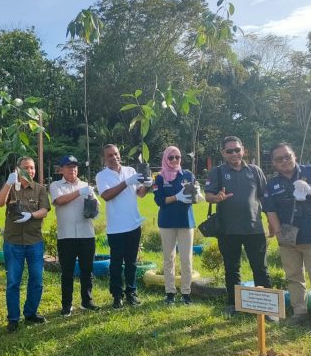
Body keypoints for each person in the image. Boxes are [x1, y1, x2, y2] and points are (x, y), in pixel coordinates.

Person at [263, 142, 311, 336]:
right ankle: (300, 313)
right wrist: (279, 233)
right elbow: (270, 210)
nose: (284, 161)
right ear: (273, 163)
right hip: (288, 238)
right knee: (293, 277)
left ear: (294, 155)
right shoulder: (272, 184)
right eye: (279, 159)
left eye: (287, 156)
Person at [205, 136, 272, 318]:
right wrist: (216, 198)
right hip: (228, 231)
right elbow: (208, 196)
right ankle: (233, 304)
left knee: (260, 269)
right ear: (223, 153)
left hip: (254, 229)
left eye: (237, 150)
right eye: (229, 151)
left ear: (243, 150)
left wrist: (272, 223)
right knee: (231, 269)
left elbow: (265, 199)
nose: (234, 154)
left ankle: (267, 308)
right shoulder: (217, 172)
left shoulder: (255, 171)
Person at [0, 157, 51, 332]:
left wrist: (31, 215)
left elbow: (45, 210)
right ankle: (13, 318)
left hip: (34, 241)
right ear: (18, 169)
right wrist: (8, 183)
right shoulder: (11, 187)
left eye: (33, 167)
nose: (30, 170)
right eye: (26, 167)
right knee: (13, 281)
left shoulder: (40, 189)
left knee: (37, 279)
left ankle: (31, 312)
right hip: (13, 242)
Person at [95, 144, 152, 308]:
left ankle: (131, 293)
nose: (114, 157)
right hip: (116, 228)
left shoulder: (131, 171)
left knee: (131, 262)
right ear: (104, 159)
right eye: (109, 155)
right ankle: (117, 295)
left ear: (120, 154)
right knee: (116, 263)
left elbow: (140, 194)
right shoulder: (102, 176)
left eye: (116, 154)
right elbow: (106, 196)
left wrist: (147, 184)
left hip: (133, 224)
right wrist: (127, 182)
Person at [49, 155, 100, 316]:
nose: (72, 169)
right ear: (61, 169)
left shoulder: (86, 186)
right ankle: (67, 305)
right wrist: (80, 192)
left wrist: (92, 204)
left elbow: (97, 207)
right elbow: (59, 201)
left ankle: (87, 301)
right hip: (66, 236)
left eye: (75, 166)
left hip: (86, 234)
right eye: (69, 166)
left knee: (87, 270)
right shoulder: (56, 185)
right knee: (67, 272)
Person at [153, 146, 201, 306]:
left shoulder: (187, 175)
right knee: (169, 258)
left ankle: (186, 293)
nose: (174, 160)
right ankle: (170, 292)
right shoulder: (160, 178)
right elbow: (159, 201)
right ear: (165, 158)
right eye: (171, 157)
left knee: (187, 259)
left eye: (177, 157)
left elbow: (195, 197)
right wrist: (176, 197)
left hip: (186, 221)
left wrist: (198, 194)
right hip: (167, 222)